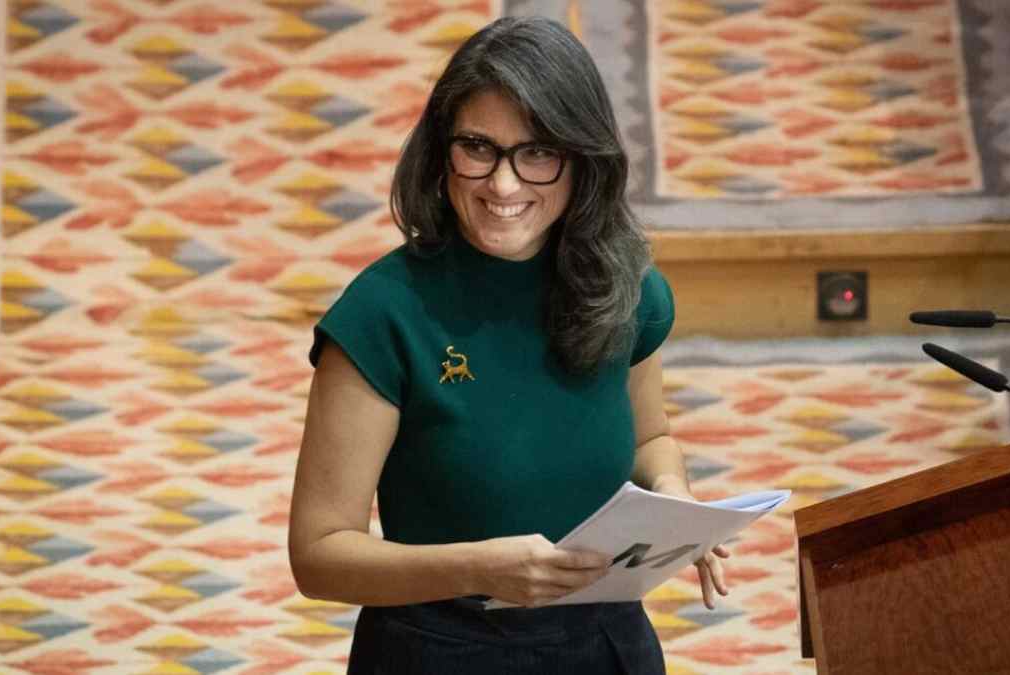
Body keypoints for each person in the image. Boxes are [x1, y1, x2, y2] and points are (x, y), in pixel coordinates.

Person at [287, 15, 729, 674]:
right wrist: (479, 566)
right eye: (478, 147)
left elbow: (647, 438)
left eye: (537, 152)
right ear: (442, 152)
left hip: (606, 643)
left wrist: (675, 497)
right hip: (436, 648)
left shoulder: (626, 288)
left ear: (582, 161)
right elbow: (319, 554)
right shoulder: (382, 314)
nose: (503, 184)